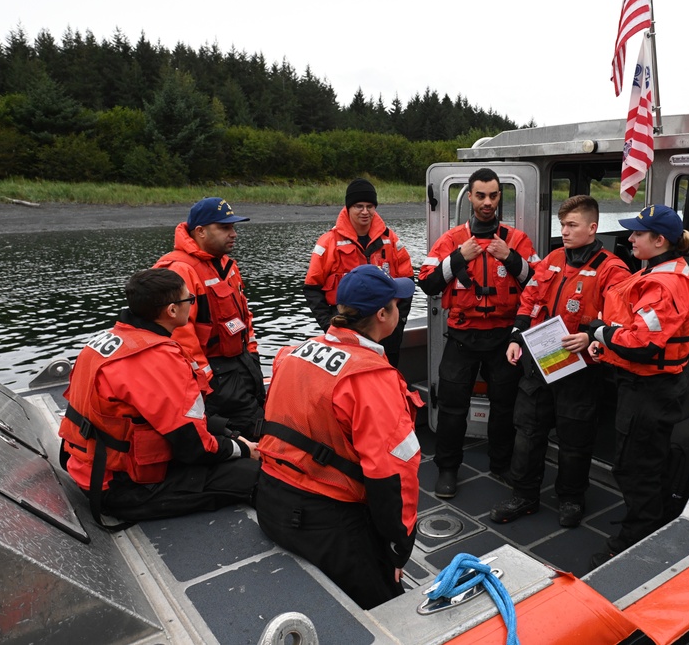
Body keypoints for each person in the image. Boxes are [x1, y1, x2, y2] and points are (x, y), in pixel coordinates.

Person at [256, 265, 422, 610]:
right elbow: (391, 474)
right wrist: (398, 546)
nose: (400, 309)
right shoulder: (371, 379)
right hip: (326, 520)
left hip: (270, 501)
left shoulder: (291, 354)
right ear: (382, 314)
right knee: (388, 607)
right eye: (396, 304)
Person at [58, 269, 260, 528]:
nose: (192, 305)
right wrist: (242, 449)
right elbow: (194, 448)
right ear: (172, 311)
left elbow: (159, 415)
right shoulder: (158, 358)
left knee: (229, 442)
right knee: (255, 474)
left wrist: (228, 433)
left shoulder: (108, 339)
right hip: (122, 487)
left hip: (88, 467)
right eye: (191, 300)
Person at [489, 196, 631, 528]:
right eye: (562, 225)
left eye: (572, 225)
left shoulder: (612, 269)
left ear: (592, 228)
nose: (564, 232)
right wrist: (515, 337)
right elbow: (531, 297)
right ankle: (524, 494)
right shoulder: (553, 258)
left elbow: (620, 319)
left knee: (574, 438)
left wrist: (592, 336)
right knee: (528, 430)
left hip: (579, 367)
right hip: (540, 361)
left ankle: (571, 498)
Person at [586, 204, 689, 567]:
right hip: (649, 386)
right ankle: (659, 515)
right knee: (648, 459)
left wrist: (599, 332)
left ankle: (636, 539)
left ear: (660, 240)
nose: (630, 239)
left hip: (650, 390)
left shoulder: (667, 284)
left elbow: (641, 344)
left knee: (634, 467)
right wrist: (605, 340)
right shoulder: (659, 272)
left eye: (638, 234)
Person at [418, 167, 539, 499]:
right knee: (453, 410)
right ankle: (447, 470)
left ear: (500, 196)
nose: (488, 202)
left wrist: (510, 258)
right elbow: (427, 282)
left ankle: (500, 465)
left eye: (494, 195)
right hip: (462, 337)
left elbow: (539, 285)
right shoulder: (451, 240)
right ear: (470, 197)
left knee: (504, 407)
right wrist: (459, 257)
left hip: (503, 338)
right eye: (481, 195)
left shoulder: (517, 240)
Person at [154, 197, 265, 439]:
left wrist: (253, 352)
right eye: (225, 228)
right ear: (201, 231)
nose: (233, 234)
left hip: (243, 362)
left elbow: (245, 315)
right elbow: (178, 333)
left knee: (260, 418)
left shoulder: (226, 265)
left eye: (233, 227)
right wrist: (207, 379)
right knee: (255, 430)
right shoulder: (179, 270)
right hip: (216, 373)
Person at [304, 178, 415, 366]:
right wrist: (329, 325)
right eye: (359, 206)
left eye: (370, 206)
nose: (365, 212)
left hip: (385, 333)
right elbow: (312, 289)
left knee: (387, 383)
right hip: (347, 336)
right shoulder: (328, 242)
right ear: (348, 208)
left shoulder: (390, 239)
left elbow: (408, 281)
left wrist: (398, 323)